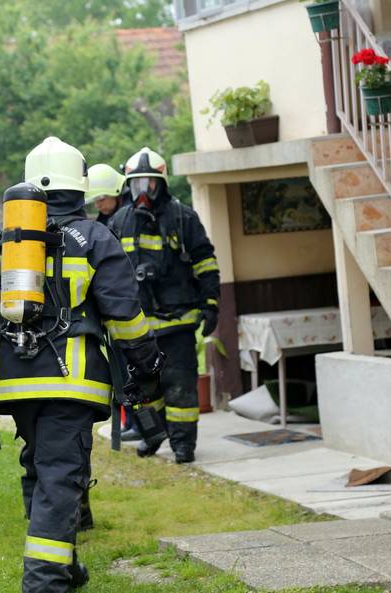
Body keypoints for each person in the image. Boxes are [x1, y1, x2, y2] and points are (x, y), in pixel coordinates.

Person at [0, 137, 162, 592]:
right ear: (79, 186)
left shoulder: (1, 239)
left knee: (43, 467)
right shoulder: (96, 237)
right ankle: (43, 582)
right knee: (61, 478)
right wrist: (148, 365)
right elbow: (124, 314)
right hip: (72, 382)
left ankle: (66, 569)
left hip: (14, 381)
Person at [108, 147, 220, 464]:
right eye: (136, 184)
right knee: (144, 389)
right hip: (137, 326)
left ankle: (183, 445)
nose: (142, 191)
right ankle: (153, 436)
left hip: (177, 322)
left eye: (149, 184)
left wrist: (211, 304)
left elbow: (205, 263)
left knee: (180, 387)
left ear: (161, 184)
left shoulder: (182, 217)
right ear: (129, 186)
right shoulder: (119, 221)